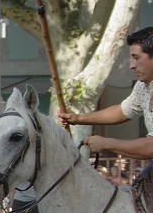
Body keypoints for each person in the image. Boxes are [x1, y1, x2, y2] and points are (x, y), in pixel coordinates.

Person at [60, 27, 153, 160]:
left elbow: (150, 148)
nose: (131, 65)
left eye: (136, 58)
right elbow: (122, 111)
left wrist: (107, 143)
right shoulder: (142, 86)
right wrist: (79, 119)